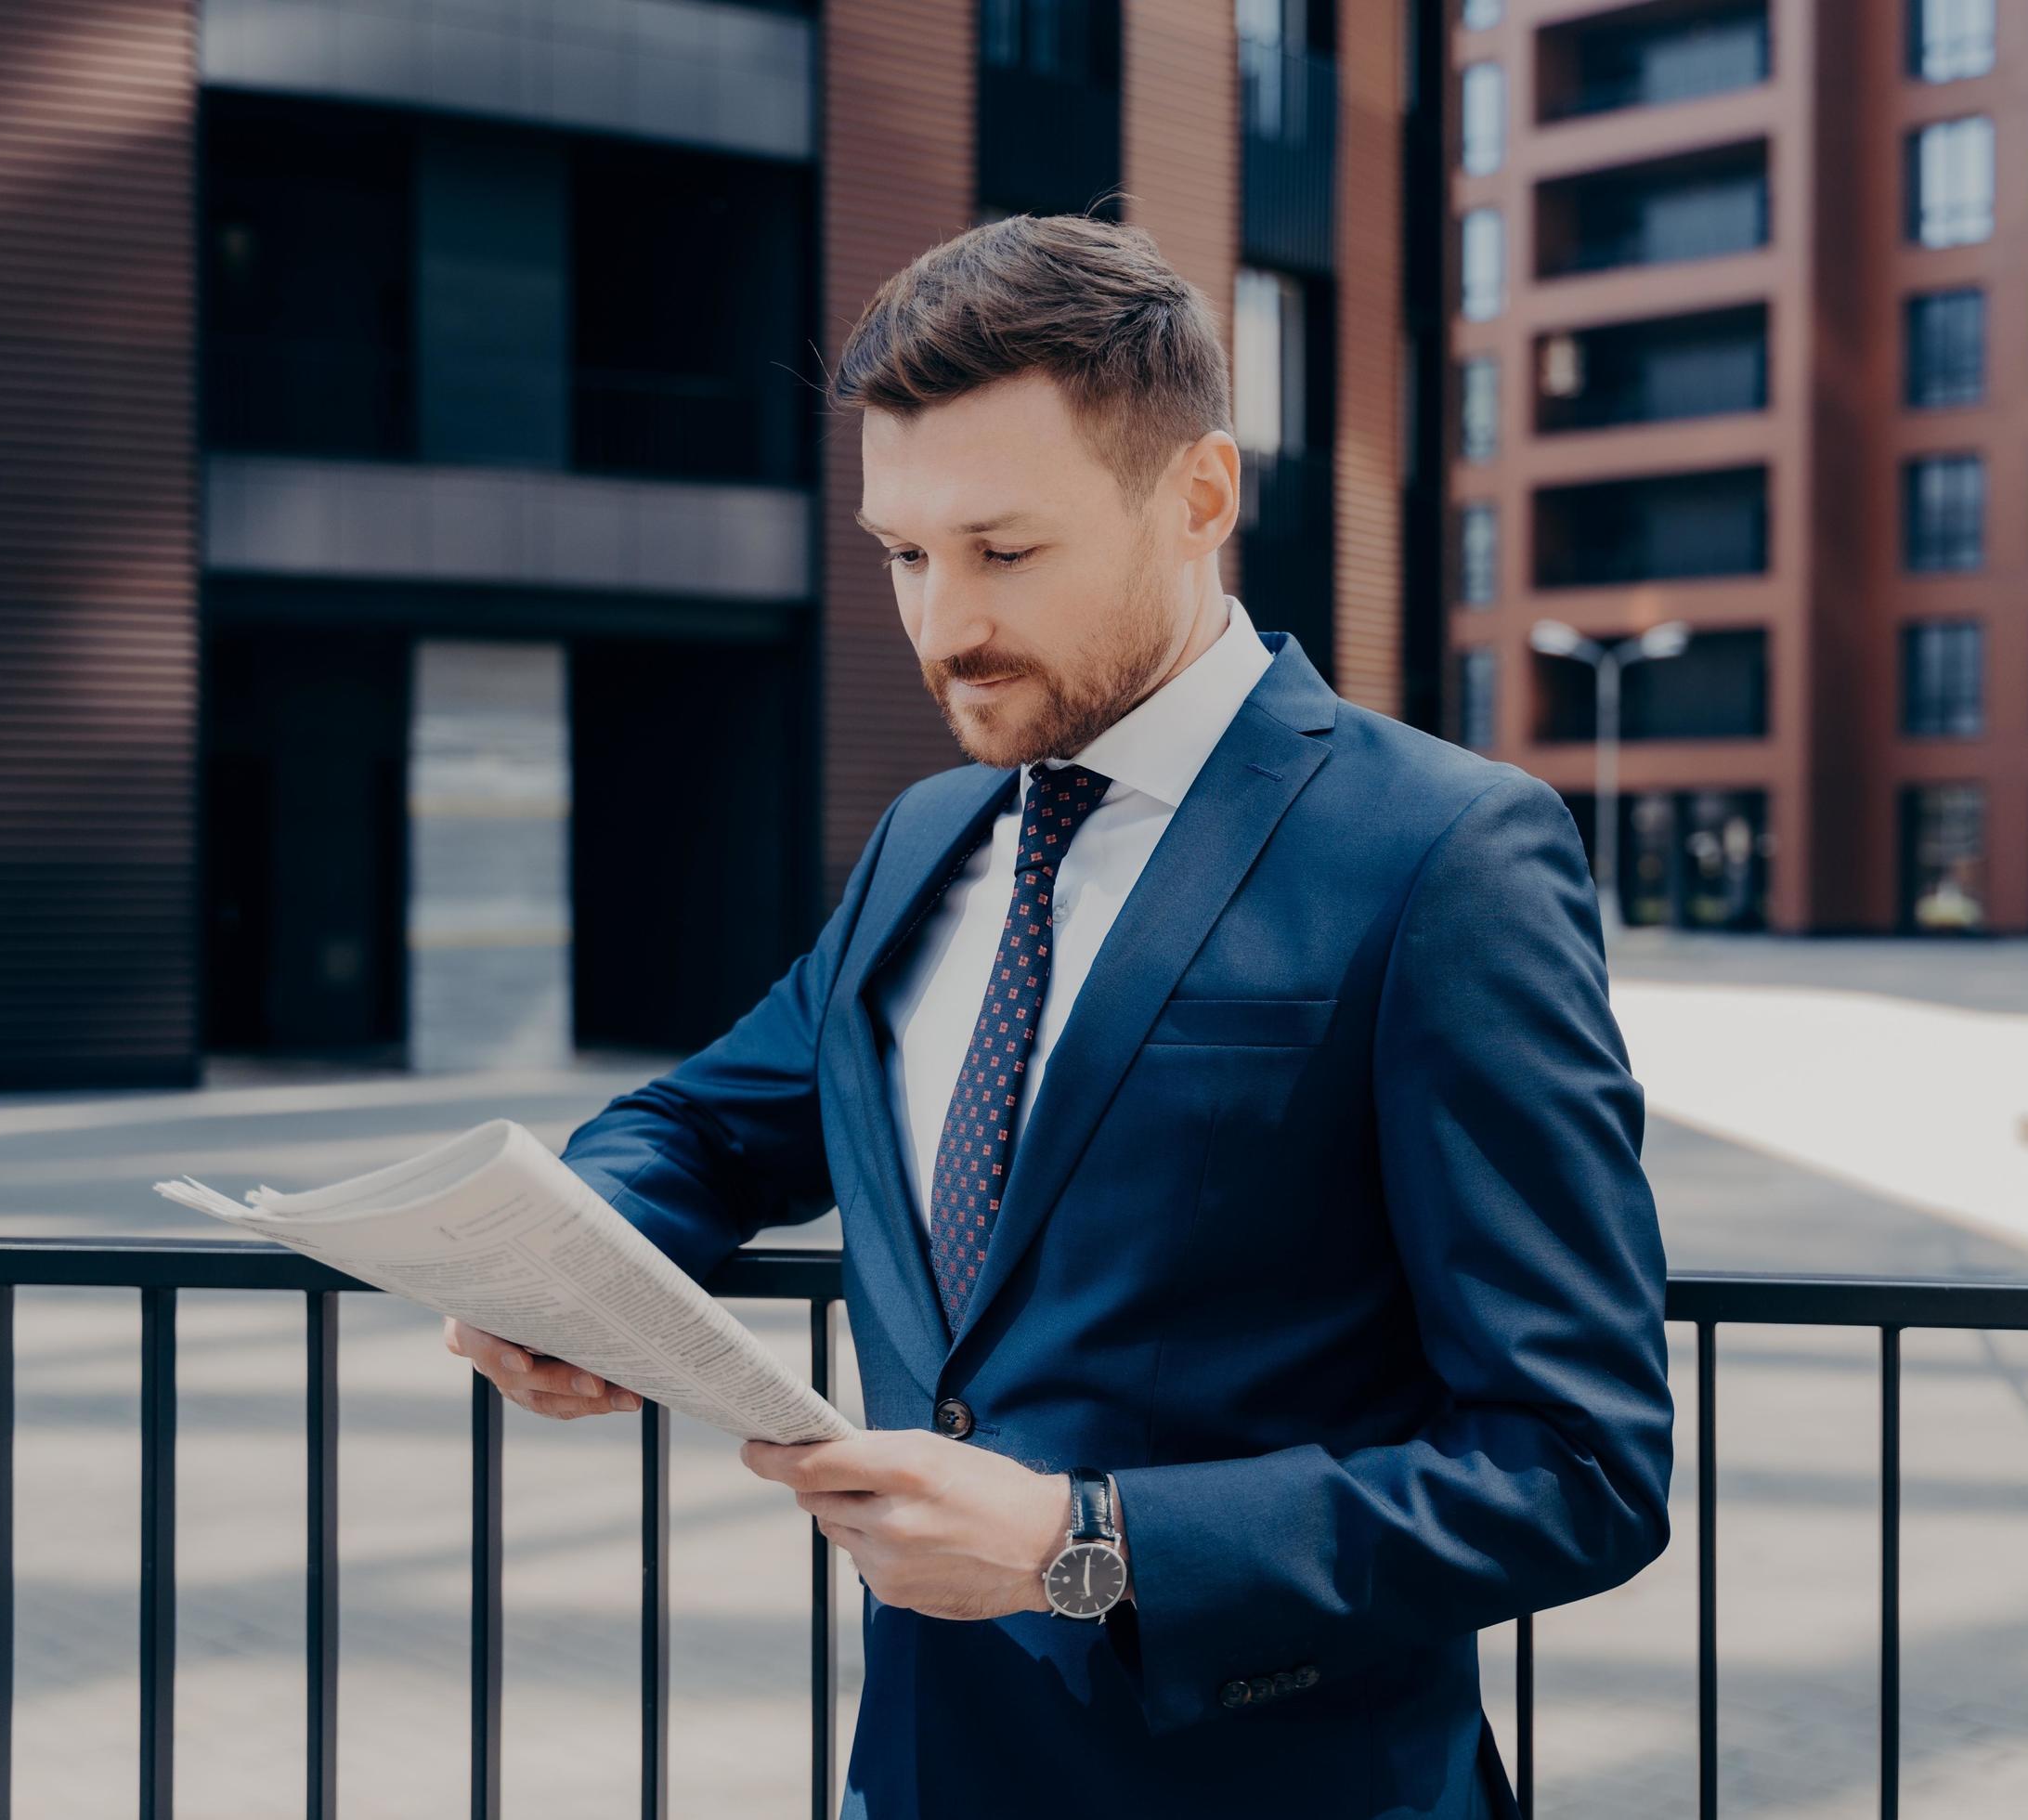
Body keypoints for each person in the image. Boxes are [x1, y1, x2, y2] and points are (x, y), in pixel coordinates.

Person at [442, 213, 1671, 1819]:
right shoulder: (927, 841)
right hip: (928, 1776)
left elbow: (1578, 1469)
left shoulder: (1443, 852)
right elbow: (709, 1126)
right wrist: (575, 1270)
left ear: (1201, 498)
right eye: (904, 553)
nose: (943, 624)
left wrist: (1084, 1547)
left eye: (1003, 552)